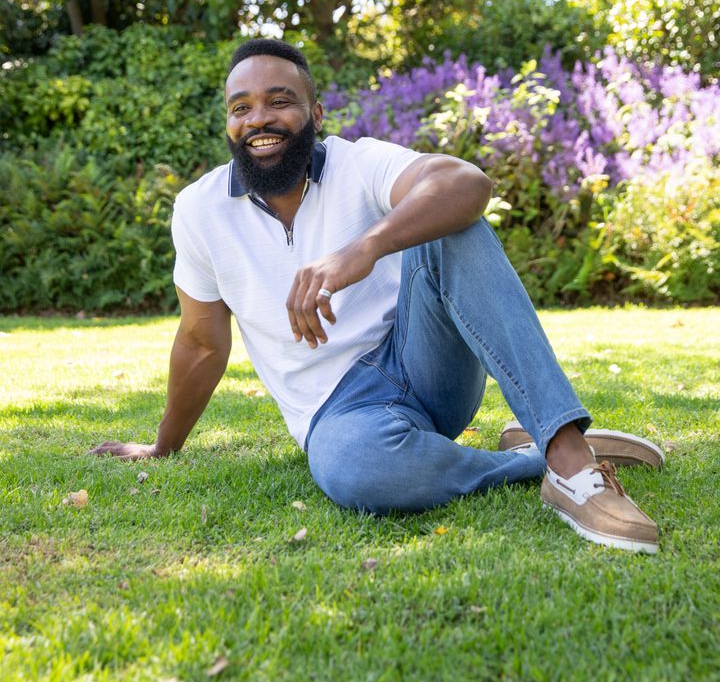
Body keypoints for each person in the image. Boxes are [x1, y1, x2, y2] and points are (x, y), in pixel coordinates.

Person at [92, 38, 664, 553]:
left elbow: (468, 183)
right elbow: (200, 342)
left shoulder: (357, 162)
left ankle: (569, 462)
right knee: (352, 470)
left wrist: (363, 247)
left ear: (314, 113)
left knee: (455, 224)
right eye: (241, 107)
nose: (259, 118)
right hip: (341, 415)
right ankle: (525, 458)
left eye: (279, 100)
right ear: (228, 125)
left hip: (423, 363)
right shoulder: (199, 210)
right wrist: (163, 448)